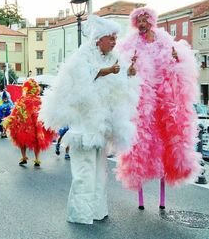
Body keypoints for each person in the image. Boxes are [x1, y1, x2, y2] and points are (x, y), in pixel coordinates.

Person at [39, 15, 139, 224]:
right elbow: (79, 79)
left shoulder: (112, 58)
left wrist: (128, 73)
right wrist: (106, 71)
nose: (114, 41)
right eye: (111, 38)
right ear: (99, 39)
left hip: (100, 126)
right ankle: (80, 214)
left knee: (99, 172)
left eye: (115, 38)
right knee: (83, 172)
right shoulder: (82, 56)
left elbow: (118, 85)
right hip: (83, 127)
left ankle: (96, 210)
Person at [115, 7, 201, 210]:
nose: (142, 24)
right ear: (135, 24)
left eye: (145, 20)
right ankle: (141, 197)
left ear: (152, 21)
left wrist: (175, 61)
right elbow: (122, 69)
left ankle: (163, 197)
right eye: (139, 21)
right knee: (141, 144)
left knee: (166, 141)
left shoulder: (165, 41)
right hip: (142, 102)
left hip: (164, 101)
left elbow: (181, 67)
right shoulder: (130, 44)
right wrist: (131, 69)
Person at [3, 78, 54, 167]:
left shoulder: (23, 99)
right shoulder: (39, 100)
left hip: (24, 125)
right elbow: (45, 112)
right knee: (36, 142)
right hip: (36, 125)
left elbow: (16, 112)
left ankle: (24, 157)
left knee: (21, 141)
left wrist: (10, 119)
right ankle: (37, 159)